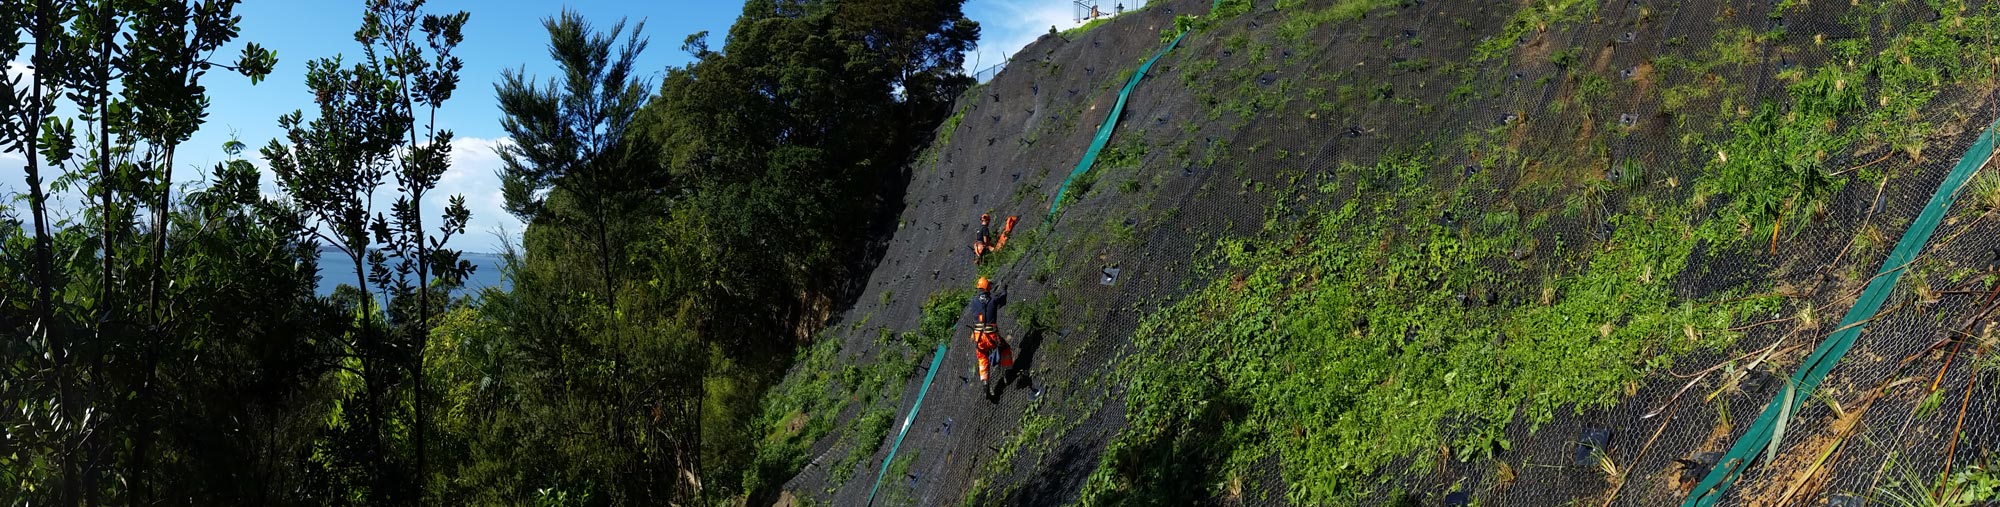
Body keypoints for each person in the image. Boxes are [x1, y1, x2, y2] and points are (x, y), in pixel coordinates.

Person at [967, 277, 1014, 394]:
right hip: (991, 337)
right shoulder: (993, 298)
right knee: (1005, 348)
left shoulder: (973, 301)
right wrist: (1004, 289)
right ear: (988, 287)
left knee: (982, 357)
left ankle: (985, 381)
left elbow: (980, 308)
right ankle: (1008, 371)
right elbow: (1002, 300)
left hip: (978, 338)